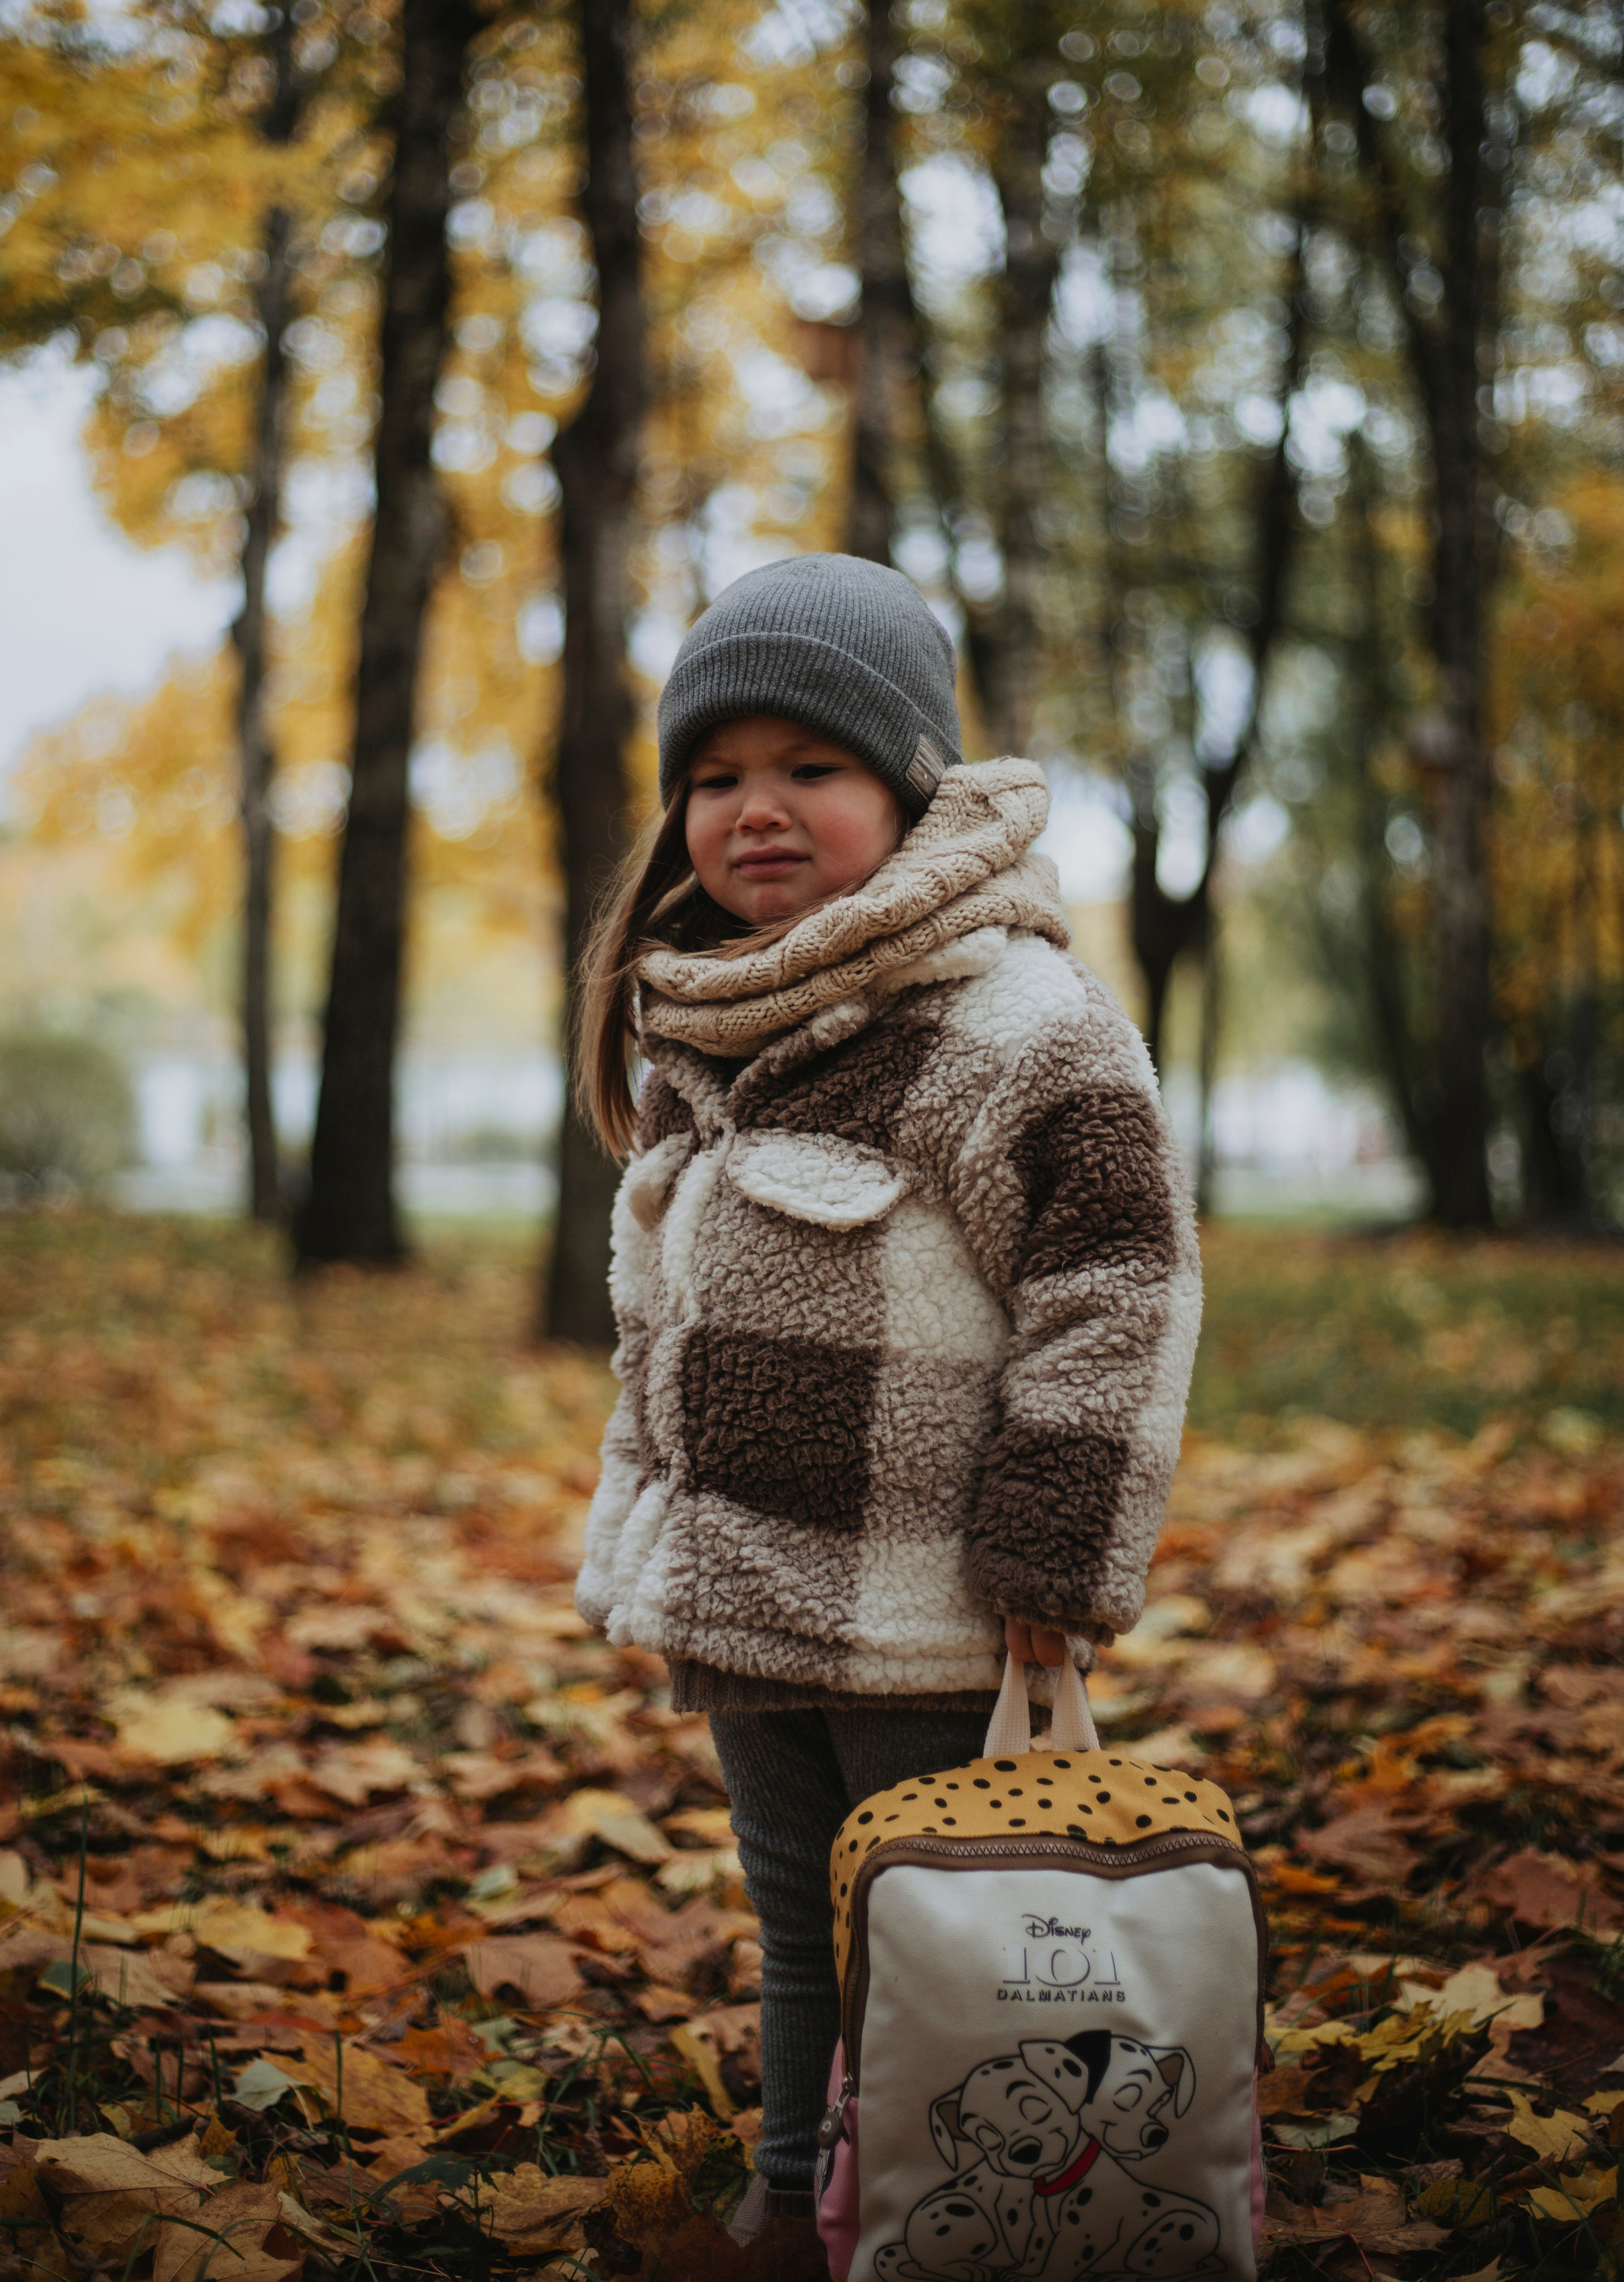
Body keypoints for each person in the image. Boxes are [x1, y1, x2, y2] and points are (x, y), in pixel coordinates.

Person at [573, 552, 1200, 2243]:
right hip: (752, 1597)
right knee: (797, 1922)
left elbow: (1115, 1290)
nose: (751, 810)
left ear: (908, 787)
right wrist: (647, 1526)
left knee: (945, 1939)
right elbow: (665, 1327)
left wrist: (1048, 1578)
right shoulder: (702, 1021)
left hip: (939, 1611)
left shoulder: (1011, 1021)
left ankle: (962, 2220)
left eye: (808, 767)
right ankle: (801, 2207)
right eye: (713, 777)